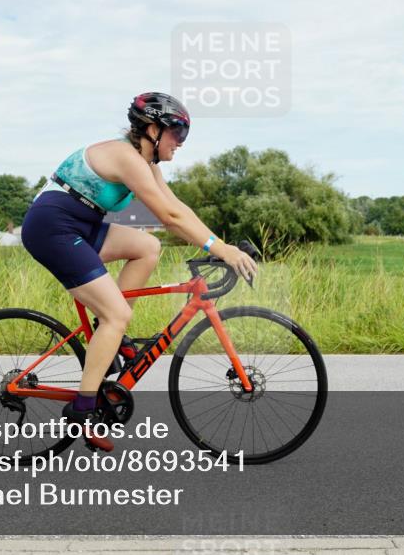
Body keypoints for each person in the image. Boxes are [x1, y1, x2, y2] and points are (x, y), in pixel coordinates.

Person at [21, 92, 258, 451]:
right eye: (178, 134)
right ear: (152, 129)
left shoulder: (148, 165)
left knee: (147, 246)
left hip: (81, 223)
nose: (180, 143)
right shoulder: (127, 157)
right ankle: (83, 409)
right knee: (117, 314)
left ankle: (109, 336)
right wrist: (220, 249)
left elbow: (177, 206)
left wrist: (219, 243)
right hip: (53, 226)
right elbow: (168, 217)